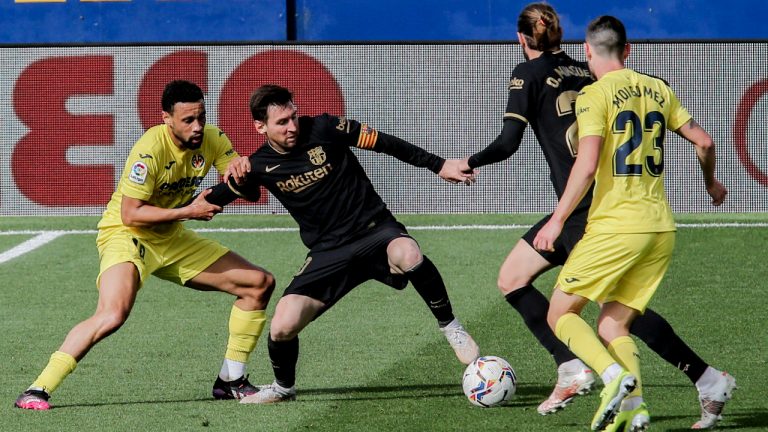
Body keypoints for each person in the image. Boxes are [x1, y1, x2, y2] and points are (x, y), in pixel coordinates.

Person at [441, 3, 735, 428]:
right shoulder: (589, 72)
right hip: (619, 210)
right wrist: (710, 183)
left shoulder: (532, 74)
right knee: (515, 279)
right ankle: (576, 370)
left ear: (521, 39)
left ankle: (674, 380)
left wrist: (468, 161)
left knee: (608, 314)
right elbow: (701, 140)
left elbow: (513, 144)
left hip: (591, 211)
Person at [202, 84, 479, 404]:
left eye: (293, 116)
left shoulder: (325, 127)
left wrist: (439, 165)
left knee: (409, 253)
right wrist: (178, 212)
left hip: (375, 231)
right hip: (327, 253)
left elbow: (385, 143)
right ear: (260, 126)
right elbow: (214, 198)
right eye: (282, 123)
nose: (292, 126)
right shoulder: (259, 165)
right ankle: (283, 388)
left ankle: (451, 326)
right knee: (282, 325)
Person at [14, 80, 276, 411]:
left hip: (171, 236)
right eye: (187, 120)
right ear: (166, 118)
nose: (197, 127)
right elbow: (131, 212)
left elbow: (247, 191)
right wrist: (190, 210)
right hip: (127, 234)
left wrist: (243, 175)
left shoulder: (212, 137)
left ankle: (231, 382)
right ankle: (37, 389)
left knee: (258, 284)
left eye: (201, 117)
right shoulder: (149, 149)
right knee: (113, 313)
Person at [529, 15, 729, 431]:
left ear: (586, 51)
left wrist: (556, 221)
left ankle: (611, 375)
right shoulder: (657, 87)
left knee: (559, 312)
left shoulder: (592, 94)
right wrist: (711, 184)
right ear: (628, 50)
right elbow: (705, 142)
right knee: (613, 322)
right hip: (659, 229)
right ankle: (635, 408)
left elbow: (584, 168)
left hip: (617, 226)